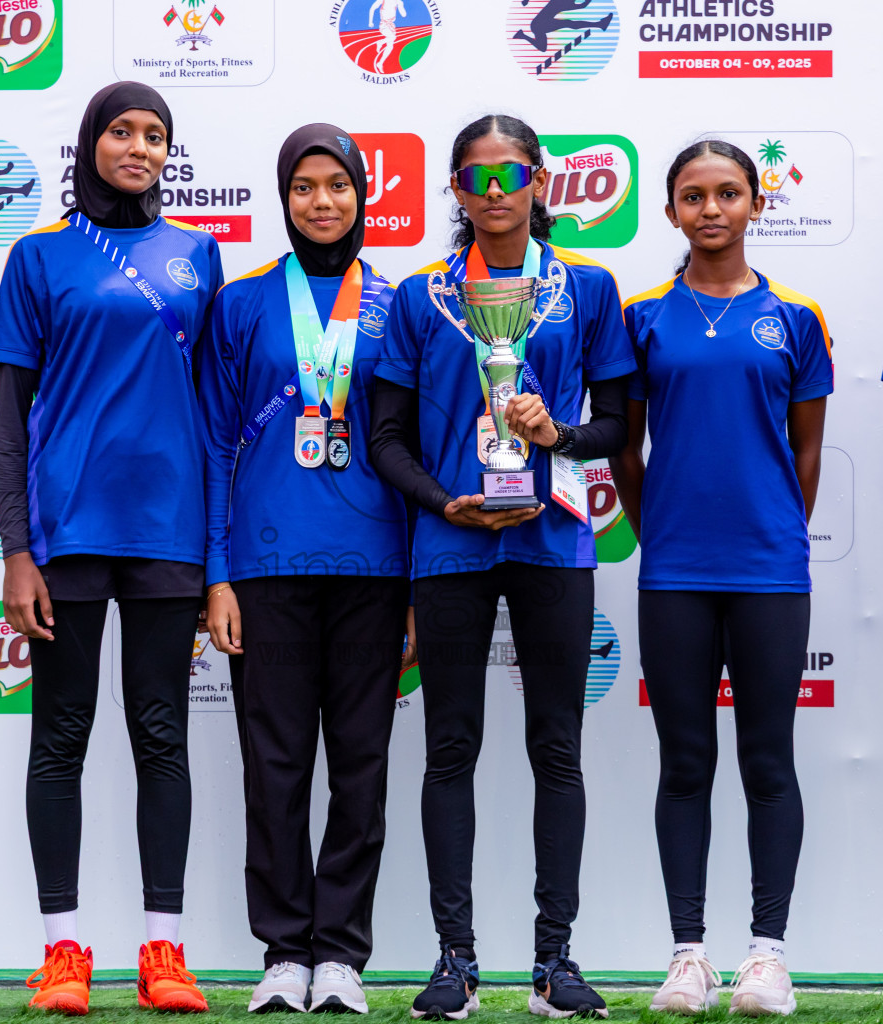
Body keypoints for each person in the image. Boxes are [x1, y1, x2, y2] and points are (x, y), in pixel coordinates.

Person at [370, 114, 635, 1021]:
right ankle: (456, 961)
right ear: (454, 188)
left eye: (510, 175)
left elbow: (616, 426)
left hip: (554, 538)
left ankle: (554, 962)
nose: (494, 193)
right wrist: (445, 502)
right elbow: (387, 438)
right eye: (476, 178)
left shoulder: (586, 289)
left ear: (539, 182)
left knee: (556, 747)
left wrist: (556, 434)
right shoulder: (421, 296)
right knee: (450, 747)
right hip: (452, 543)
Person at [0, 81, 221, 1017]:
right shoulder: (39, 255)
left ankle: (164, 949)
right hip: (67, 532)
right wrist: (16, 550)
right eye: (121, 131)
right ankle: (62, 952)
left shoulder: (197, 255)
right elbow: (10, 420)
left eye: (155, 135)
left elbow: (214, 415)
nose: (139, 148)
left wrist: (217, 560)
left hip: (168, 532)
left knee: (161, 735)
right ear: (89, 145)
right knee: (61, 737)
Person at [609, 140, 831, 1018]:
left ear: (755, 205)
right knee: (686, 762)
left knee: (768, 759)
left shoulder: (797, 317)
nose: (711, 210)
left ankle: (768, 957)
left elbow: (806, 450)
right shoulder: (642, 317)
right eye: (694, 196)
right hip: (674, 570)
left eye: (729, 193)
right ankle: (689, 957)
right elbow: (625, 448)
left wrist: (773, 529)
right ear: (670, 211)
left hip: (769, 570)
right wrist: (657, 528)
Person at [200, 124, 411, 1016]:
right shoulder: (242, 303)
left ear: (362, 194)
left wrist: (416, 587)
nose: (322, 202)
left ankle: (342, 956)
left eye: (338, 185)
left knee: (361, 766)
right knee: (275, 765)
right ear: (284, 198)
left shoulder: (401, 303)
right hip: (266, 569)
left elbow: (413, 447)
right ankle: (285, 951)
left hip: (377, 571)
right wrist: (217, 574)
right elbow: (215, 443)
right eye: (303, 187)